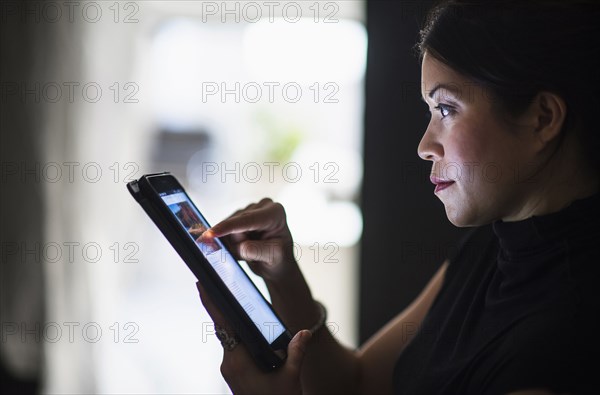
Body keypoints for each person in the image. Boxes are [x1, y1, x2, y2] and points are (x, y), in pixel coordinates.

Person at [196, 1, 600, 393]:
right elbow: (355, 385)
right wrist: (284, 278)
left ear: (542, 117)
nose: (425, 145)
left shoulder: (567, 335)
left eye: (446, 108)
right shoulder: (490, 249)